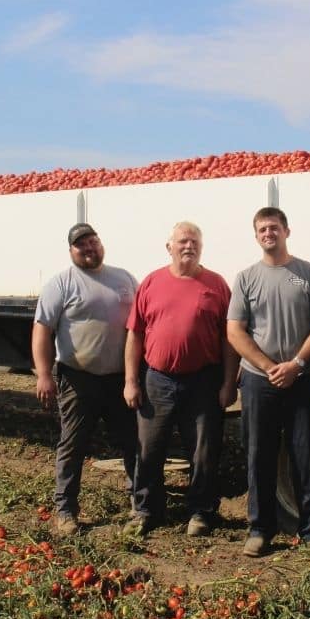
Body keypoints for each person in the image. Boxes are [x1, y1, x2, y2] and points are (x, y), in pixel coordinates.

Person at [227, 207, 310, 557]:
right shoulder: (246, 278)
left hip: (302, 380)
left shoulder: (304, 275)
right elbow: (235, 330)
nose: (268, 233)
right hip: (260, 381)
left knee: (306, 454)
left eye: (274, 227)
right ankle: (260, 529)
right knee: (259, 455)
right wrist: (269, 366)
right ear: (256, 235)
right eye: (262, 229)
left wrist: (297, 364)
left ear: (287, 230)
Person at [122, 222, 238, 537]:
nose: (189, 246)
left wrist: (229, 382)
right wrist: (131, 380)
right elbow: (135, 334)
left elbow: (229, 339)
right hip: (157, 379)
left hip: (203, 380)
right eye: (183, 241)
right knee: (149, 447)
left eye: (195, 242)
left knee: (203, 449)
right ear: (169, 246)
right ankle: (146, 509)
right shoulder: (151, 283)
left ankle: (200, 512)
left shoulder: (216, 285)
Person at [32, 223, 139, 537]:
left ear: (101, 244)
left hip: (121, 379)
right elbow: (42, 330)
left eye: (93, 241)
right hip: (79, 380)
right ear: (71, 251)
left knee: (133, 442)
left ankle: (139, 503)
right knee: (73, 444)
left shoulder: (125, 279)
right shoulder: (61, 284)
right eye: (81, 245)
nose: (89, 248)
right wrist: (43, 374)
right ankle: (66, 511)